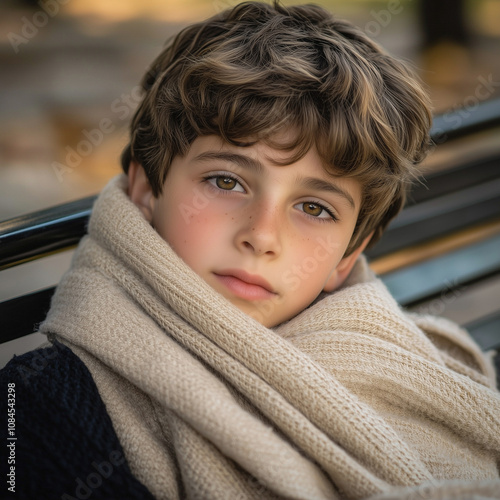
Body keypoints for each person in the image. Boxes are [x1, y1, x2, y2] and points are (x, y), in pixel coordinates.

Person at [2, 2, 500, 499]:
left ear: (347, 257)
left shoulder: (408, 369)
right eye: (226, 180)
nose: (262, 236)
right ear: (146, 190)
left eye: (314, 208)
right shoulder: (36, 413)